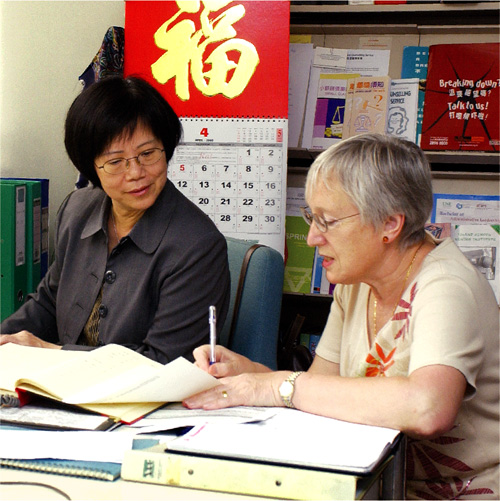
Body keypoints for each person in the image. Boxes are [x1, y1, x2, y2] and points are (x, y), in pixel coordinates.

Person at [183, 133, 500, 499]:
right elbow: (319, 392)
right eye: (311, 217)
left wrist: (273, 386)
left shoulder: (445, 286)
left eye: (327, 221)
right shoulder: (357, 280)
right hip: (373, 483)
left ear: (389, 224)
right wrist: (248, 373)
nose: (313, 236)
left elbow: (428, 408)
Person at [0, 76, 230, 364]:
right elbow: (48, 303)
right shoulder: (76, 210)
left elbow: (167, 363)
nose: (136, 172)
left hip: (151, 403)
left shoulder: (198, 246)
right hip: (67, 390)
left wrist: (53, 353)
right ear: (92, 167)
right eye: (116, 161)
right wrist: (6, 340)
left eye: (147, 154)